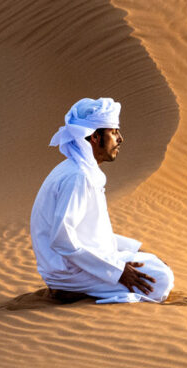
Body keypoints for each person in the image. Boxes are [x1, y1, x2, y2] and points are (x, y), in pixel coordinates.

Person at [30, 98, 174, 304]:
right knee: (161, 280)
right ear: (95, 137)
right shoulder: (77, 176)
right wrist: (117, 272)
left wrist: (136, 250)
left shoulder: (80, 170)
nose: (120, 139)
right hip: (68, 272)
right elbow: (63, 239)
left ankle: (93, 288)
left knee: (155, 263)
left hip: (78, 264)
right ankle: (75, 291)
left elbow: (91, 234)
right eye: (114, 132)